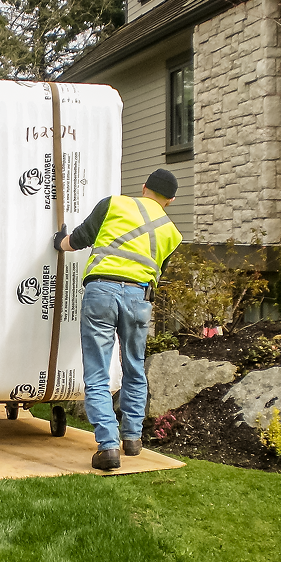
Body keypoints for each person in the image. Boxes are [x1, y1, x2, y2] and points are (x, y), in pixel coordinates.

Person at [53, 168, 183, 471]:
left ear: (144, 187)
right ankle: (132, 438)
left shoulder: (114, 204)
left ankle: (108, 446)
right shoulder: (172, 233)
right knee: (134, 367)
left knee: (98, 372)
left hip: (101, 292)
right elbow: (157, 273)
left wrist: (60, 241)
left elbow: (79, 240)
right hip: (139, 298)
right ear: (171, 200)